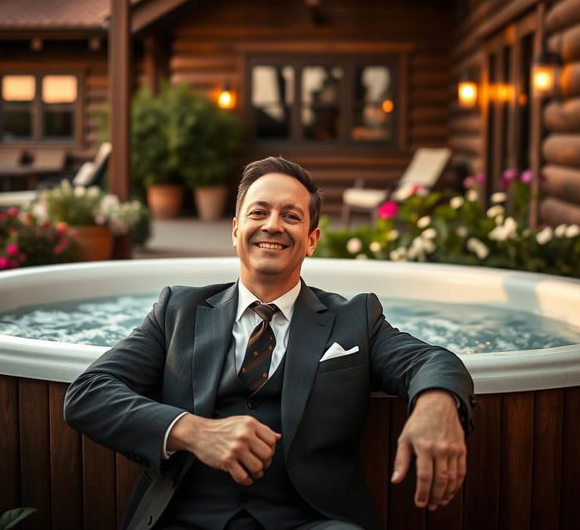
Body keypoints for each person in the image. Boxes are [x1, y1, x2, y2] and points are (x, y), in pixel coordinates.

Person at [64, 156, 475, 530]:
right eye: (258, 212)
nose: (273, 225)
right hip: (185, 519)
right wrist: (191, 431)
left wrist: (436, 403)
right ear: (236, 229)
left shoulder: (355, 318)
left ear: (312, 239)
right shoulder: (178, 309)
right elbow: (88, 392)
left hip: (312, 522)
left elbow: (428, 359)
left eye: (291, 216)